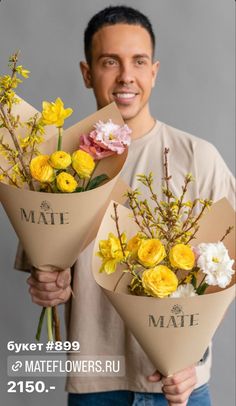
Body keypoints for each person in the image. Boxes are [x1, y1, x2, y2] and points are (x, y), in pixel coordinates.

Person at [17, 5, 235, 406]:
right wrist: (48, 286)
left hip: (179, 387)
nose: (126, 76)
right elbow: (45, 269)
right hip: (95, 386)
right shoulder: (56, 162)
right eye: (109, 62)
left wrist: (193, 355)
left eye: (138, 61)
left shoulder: (198, 158)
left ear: (154, 70)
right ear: (87, 73)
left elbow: (227, 270)